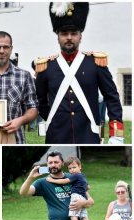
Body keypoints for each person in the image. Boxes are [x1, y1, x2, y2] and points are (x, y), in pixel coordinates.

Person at [35, 2, 124, 144]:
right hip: (57, 136)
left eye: (74, 33)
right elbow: (39, 100)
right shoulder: (46, 67)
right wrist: (55, 119)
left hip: (89, 134)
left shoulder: (96, 63)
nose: (69, 37)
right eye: (64, 33)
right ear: (57, 37)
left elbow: (112, 97)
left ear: (80, 37)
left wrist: (116, 134)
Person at [46, 156, 103, 220]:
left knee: (73, 217)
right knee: (84, 218)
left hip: (76, 197)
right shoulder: (82, 176)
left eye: (74, 167)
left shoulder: (75, 176)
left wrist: (51, 180)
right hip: (83, 197)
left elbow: (65, 181)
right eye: (70, 168)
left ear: (80, 166)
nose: (72, 170)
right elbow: (88, 187)